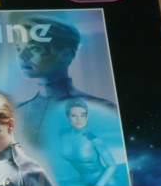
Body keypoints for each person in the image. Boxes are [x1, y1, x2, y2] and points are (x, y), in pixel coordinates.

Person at [13, 16, 116, 146]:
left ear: (66, 54)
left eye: (35, 48)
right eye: (18, 48)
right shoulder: (16, 113)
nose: (22, 56)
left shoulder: (103, 110)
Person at [59, 98, 128, 186]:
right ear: (68, 117)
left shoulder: (94, 140)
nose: (79, 119)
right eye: (74, 116)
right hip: (83, 182)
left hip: (103, 183)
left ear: (87, 117)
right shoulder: (62, 135)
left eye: (83, 115)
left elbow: (112, 165)